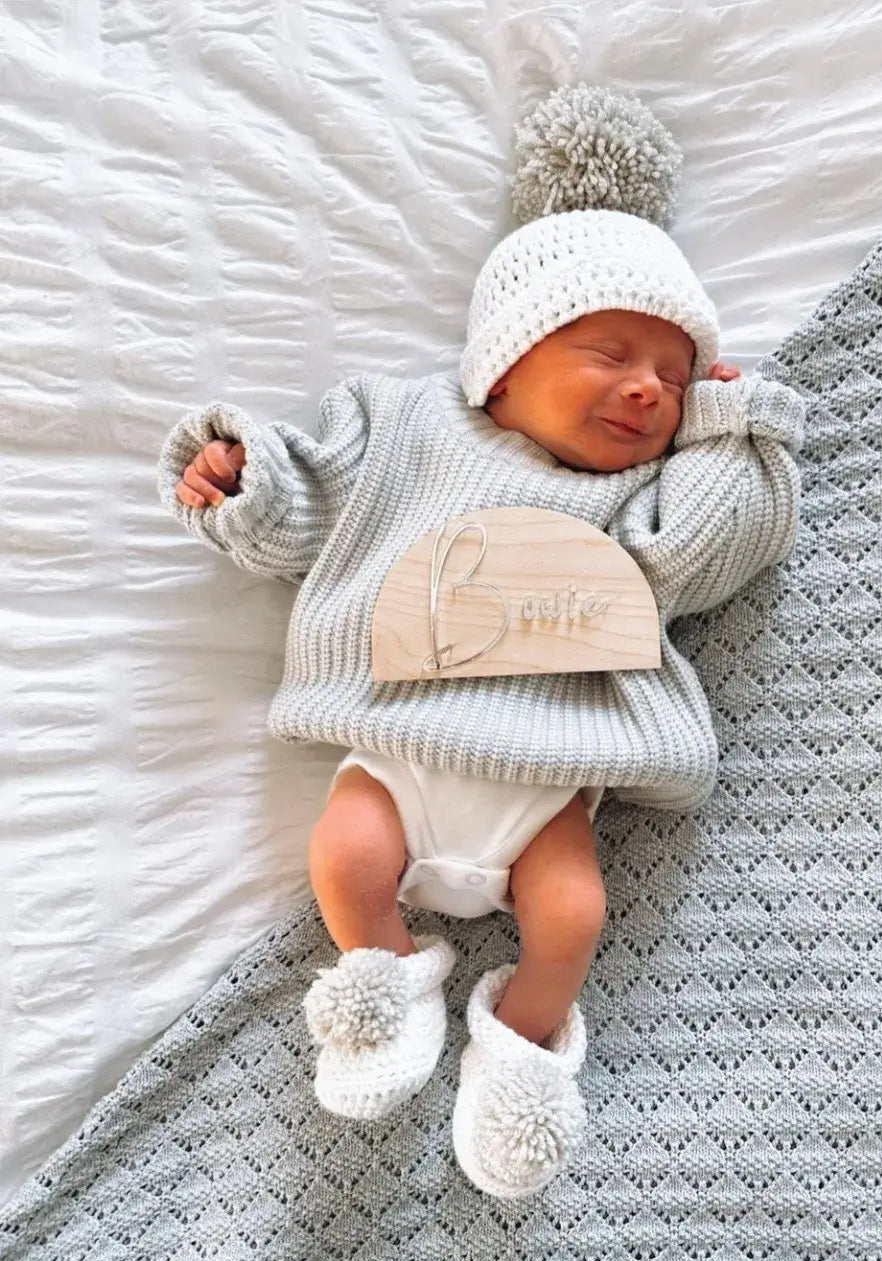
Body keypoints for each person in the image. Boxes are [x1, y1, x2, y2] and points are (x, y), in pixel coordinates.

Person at [157, 83, 804, 1199]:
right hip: (399, 738)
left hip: (545, 770)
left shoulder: (637, 495)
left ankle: (525, 1039)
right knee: (347, 853)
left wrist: (727, 434)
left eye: (674, 375)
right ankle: (384, 971)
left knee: (571, 911)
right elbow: (316, 503)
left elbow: (703, 556)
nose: (648, 385)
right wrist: (248, 483)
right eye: (610, 351)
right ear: (505, 360)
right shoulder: (408, 427)